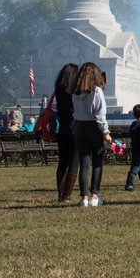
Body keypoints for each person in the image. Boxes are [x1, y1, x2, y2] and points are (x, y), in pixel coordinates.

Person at [72, 62, 111, 207]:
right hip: (94, 128)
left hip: (80, 127)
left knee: (83, 165)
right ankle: (94, 196)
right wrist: (105, 132)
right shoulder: (96, 91)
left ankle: (84, 198)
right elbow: (100, 115)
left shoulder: (75, 92)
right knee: (97, 163)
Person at [53, 63, 79, 203]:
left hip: (62, 127)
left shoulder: (59, 88)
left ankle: (60, 193)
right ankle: (66, 195)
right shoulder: (75, 90)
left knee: (62, 162)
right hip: (74, 126)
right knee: (74, 162)